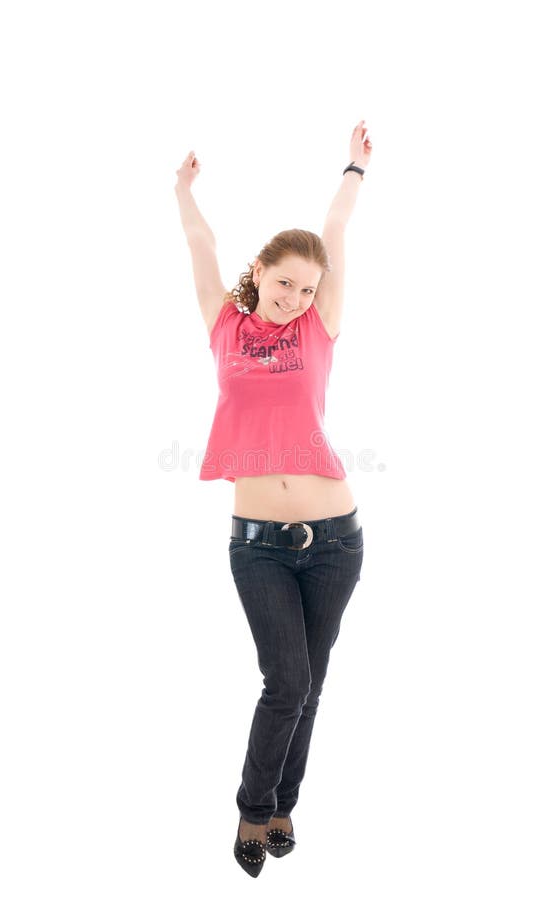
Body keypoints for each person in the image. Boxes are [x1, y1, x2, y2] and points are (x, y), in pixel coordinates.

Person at [174, 120, 373, 877]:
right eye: (284, 282)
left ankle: (287, 802)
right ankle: (253, 810)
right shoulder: (225, 326)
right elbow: (200, 250)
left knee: (310, 684)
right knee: (284, 681)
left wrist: (353, 169)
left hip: (337, 541)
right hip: (257, 544)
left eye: (307, 289)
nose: (294, 299)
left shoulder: (319, 327)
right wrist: (182, 192)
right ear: (260, 271)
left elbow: (334, 228)